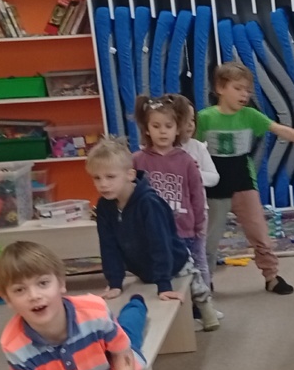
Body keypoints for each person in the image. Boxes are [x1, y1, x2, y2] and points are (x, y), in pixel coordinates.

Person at [197, 61, 294, 294]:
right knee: (209, 239)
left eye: (247, 90)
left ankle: (271, 277)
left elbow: (281, 130)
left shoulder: (250, 116)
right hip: (214, 187)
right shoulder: (205, 118)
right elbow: (189, 146)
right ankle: (204, 281)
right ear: (220, 88)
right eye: (238, 88)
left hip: (244, 183)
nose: (244, 95)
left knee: (260, 234)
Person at [0, 241, 148, 370]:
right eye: (19, 290)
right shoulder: (13, 346)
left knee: (130, 327)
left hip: (108, 360)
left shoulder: (95, 311)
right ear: (7, 299)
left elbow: (122, 352)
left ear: (61, 284)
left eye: (43, 283)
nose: (34, 296)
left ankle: (137, 304)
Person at [86, 138, 221, 331]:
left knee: (195, 285)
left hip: (174, 260)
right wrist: (115, 282)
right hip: (142, 267)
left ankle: (208, 313)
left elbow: (161, 244)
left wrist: (164, 284)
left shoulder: (148, 203)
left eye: (110, 177)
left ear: (130, 175)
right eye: (97, 178)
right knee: (148, 301)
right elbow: (108, 245)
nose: (103, 184)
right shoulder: (104, 206)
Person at [131, 95, 210, 291]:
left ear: (177, 129)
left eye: (168, 126)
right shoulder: (137, 160)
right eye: (156, 126)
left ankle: (201, 303)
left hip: (183, 229)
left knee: (191, 272)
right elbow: (131, 195)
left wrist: (198, 224)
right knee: (161, 274)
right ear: (147, 129)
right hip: (150, 232)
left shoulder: (187, 161)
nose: (163, 131)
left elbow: (197, 195)